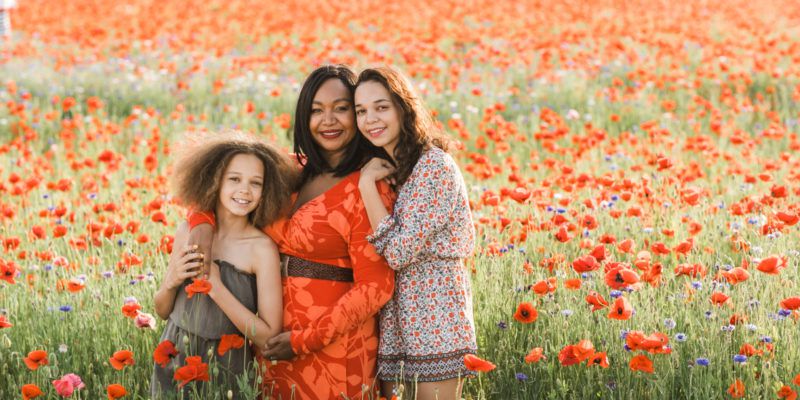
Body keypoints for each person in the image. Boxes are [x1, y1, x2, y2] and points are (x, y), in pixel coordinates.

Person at [187, 65, 395, 399]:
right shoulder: (286, 170)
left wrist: (303, 341)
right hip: (270, 337)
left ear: (357, 115)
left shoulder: (369, 186)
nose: (328, 120)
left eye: (341, 109)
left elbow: (376, 286)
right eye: (316, 110)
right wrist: (201, 226)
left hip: (333, 346)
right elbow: (219, 191)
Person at [355, 66, 478, 400]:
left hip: (435, 309)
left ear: (403, 107)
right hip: (399, 314)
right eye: (361, 111)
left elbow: (397, 252)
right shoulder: (398, 167)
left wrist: (366, 185)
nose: (370, 119)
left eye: (381, 107)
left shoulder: (433, 166)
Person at [151, 131, 295, 398]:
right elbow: (161, 310)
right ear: (214, 182)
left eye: (256, 183)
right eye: (234, 179)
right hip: (175, 355)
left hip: (228, 367)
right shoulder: (187, 232)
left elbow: (267, 337)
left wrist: (215, 287)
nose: (245, 190)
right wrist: (171, 282)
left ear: (266, 191)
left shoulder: (261, 249)